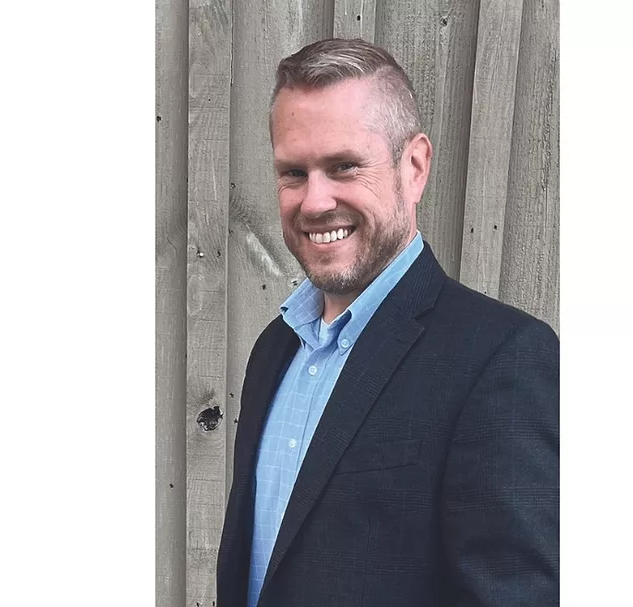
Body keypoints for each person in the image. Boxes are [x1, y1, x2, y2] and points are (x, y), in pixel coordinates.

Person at [216, 38, 559, 607]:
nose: (315, 201)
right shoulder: (274, 349)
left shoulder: (503, 361)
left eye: (344, 166)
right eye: (293, 173)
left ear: (415, 166)